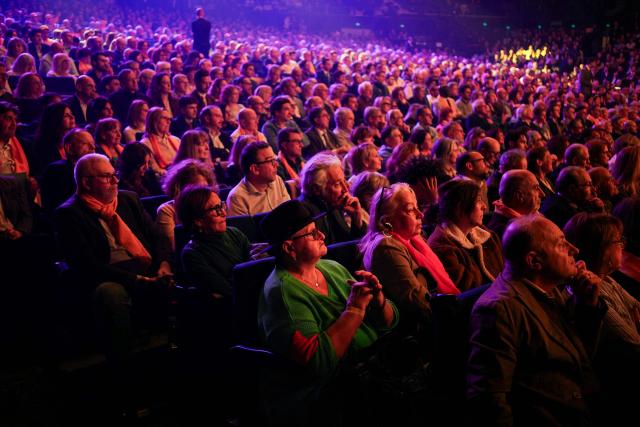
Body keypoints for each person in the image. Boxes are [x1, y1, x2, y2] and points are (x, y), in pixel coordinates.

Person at [258, 199, 397, 426]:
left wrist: (378, 300)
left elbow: (389, 323)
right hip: (327, 393)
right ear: (289, 248)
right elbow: (318, 362)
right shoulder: (281, 293)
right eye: (312, 233)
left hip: (370, 367)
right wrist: (355, 308)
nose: (322, 236)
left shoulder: (330, 267)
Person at [467, 215, 606, 426]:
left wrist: (587, 305)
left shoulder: (551, 289)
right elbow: (489, 399)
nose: (575, 250)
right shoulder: (499, 309)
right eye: (562, 244)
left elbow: (579, 358)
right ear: (534, 261)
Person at [54, 153, 173, 364]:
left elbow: (158, 238)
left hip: (146, 266)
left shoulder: (128, 199)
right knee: (110, 293)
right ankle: (122, 367)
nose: (115, 181)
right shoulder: (69, 214)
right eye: (107, 177)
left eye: (114, 174)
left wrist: (164, 264)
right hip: (109, 276)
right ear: (86, 182)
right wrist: (137, 281)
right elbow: (87, 265)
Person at [360, 184, 458, 333]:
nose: (421, 214)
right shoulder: (386, 247)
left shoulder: (413, 239)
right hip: (420, 332)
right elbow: (418, 303)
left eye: (417, 207)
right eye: (411, 210)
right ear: (387, 221)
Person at [428, 179, 504, 291]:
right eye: (478, 201)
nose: (484, 206)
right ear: (460, 207)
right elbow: (468, 291)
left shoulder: (486, 235)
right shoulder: (442, 247)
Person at [299, 152, 368, 245]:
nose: (346, 189)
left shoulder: (332, 204)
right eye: (337, 184)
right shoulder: (304, 213)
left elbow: (351, 246)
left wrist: (356, 218)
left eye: (344, 181)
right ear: (316, 189)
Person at [157, 160, 215, 251]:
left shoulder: (213, 207)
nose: (203, 194)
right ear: (180, 189)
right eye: (197, 190)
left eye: (205, 188)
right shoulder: (167, 211)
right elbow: (174, 246)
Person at [226, 141, 290, 216]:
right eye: (270, 161)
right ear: (255, 169)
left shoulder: (277, 180)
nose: (276, 164)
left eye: (275, 159)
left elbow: (289, 212)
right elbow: (243, 227)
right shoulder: (237, 197)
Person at [41, 129, 96, 212]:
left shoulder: (94, 168)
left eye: (93, 143)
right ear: (69, 148)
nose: (93, 147)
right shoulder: (57, 170)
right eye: (86, 144)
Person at [540, 166, 605, 229]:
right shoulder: (558, 211)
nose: (594, 189)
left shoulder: (581, 204)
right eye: (588, 185)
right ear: (572, 189)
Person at [487, 170, 545, 239]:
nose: (542, 194)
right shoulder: (509, 233)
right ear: (519, 196)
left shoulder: (529, 218)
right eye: (536, 188)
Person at [140, 107, 181, 176]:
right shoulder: (145, 144)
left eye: (169, 119)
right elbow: (154, 170)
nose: (169, 122)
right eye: (165, 118)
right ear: (154, 120)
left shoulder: (176, 140)